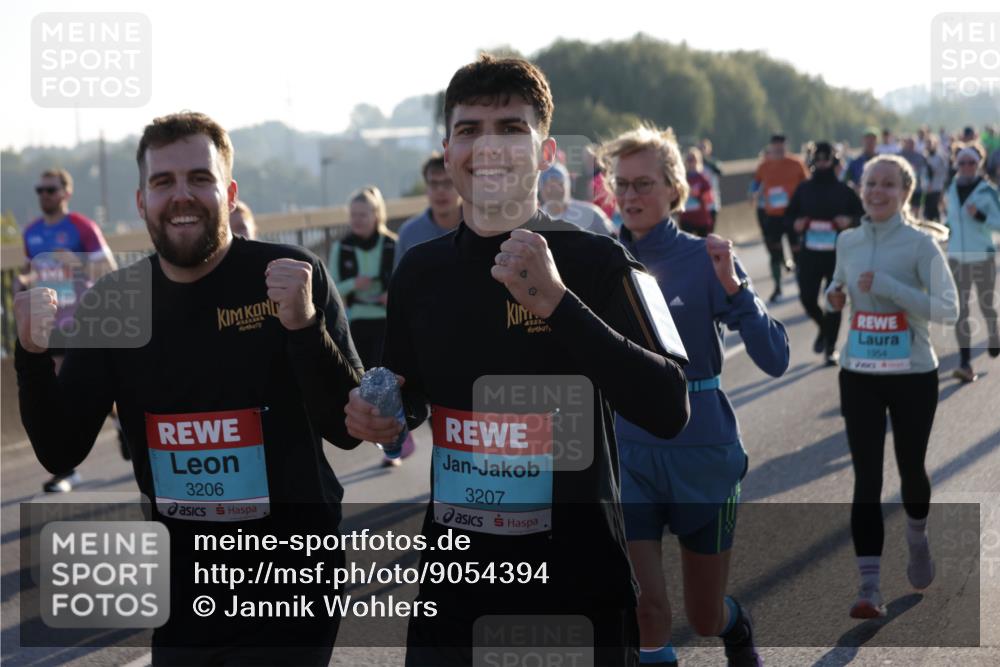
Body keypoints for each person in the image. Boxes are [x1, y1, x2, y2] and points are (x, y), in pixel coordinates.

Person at [345, 54, 690, 667]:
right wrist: (387, 417)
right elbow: (410, 389)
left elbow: (669, 406)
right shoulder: (421, 271)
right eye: (469, 130)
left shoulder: (600, 262)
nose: (490, 147)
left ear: (546, 151)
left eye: (511, 128)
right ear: (448, 151)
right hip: (453, 589)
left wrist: (557, 303)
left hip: (576, 586)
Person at [15, 112, 363, 664]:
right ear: (141, 202)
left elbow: (347, 431)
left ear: (227, 191)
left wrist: (304, 328)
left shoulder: (291, 275)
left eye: (199, 179)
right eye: (163, 182)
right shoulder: (114, 305)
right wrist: (30, 357)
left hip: (292, 577)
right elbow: (61, 450)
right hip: (184, 591)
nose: (182, 196)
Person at [602, 124, 788, 667]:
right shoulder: (599, 261)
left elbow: (775, 359)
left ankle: (735, 627)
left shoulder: (707, 258)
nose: (631, 197)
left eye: (644, 184)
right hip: (628, 453)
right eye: (623, 185)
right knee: (648, 610)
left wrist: (737, 290)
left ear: (673, 190)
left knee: (704, 615)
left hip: (703, 452)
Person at [826, 155, 959, 619]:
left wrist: (890, 286)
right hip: (859, 372)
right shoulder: (848, 240)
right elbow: (837, 285)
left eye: (887, 185)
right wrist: (833, 296)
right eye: (870, 183)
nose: (877, 192)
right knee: (866, 477)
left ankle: (917, 538)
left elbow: (949, 310)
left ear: (905, 192)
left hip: (913, 374)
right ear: (860, 188)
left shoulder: (922, 246)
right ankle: (869, 588)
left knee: (910, 469)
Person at [19, 168, 120, 492]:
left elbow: (108, 269)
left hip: (83, 322)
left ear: (66, 192)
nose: (44, 195)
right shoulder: (31, 232)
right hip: (52, 325)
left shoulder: (80, 227)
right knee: (64, 392)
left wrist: (75, 263)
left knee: (88, 391)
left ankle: (123, 423)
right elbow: (28, 272)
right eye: (40, 190)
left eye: (50, 189)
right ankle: (67, 469)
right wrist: (25, 283)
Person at [329, 186, 413, 465]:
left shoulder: (393, 243)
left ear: (376, 215)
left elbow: (407, 284)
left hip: (387, 323)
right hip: (356, 325)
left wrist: (393, 295)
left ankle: (394, 445)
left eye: (363, 214)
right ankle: (381, 437)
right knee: (363, 389)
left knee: (388, 386)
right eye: (353, 215)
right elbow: (332, 291)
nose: (358, 220)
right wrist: (355, 284)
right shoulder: (342, 248)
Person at [787, 142, 865, 364]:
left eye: (826, 158)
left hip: (838, 257)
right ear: (812, 161)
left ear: (834, 161)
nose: (822, 162)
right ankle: (824, 327)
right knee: (807, 298)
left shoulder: (845, 190)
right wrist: (796, 224)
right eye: (818, 158)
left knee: (834, 301)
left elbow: (863, 218)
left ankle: (830, 348)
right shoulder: (803, 189)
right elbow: (788, 217)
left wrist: (849, 220)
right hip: (809, 255)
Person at [943, 145, 1000, 382]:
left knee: (986, 305)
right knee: (961, 310)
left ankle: (994, 334)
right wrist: (945, 228)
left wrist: (980, 217)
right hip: (957, 257)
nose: (966, 167)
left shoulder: (988, 191)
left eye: (971, 163)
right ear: (957, 164)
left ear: (978, 164)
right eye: (962, 162)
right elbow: (950, 217)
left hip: (983, 257)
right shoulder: (951, 189)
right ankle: (965, 363)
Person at [752, 134, 809, 302]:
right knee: (775, 254)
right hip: (773, 216)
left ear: (786, 146)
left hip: (792, 215)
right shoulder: (764, 166)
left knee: (797, 253)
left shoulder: (796, 163)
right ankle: (777, 287)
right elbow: (756, 182)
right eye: (775, 147)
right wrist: (753, 192)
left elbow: (806, 184)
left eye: (781, 147)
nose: (778, 150)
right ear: (770, 147)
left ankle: (801, 286)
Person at [394, 153, 462, 270]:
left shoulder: (480, 228)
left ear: (461, 185)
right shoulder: (409, 233)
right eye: (434, 184)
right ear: (426, 188)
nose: (440, 190)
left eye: (448, 183)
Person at [539, 162, 616, 236]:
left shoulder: (590, 214)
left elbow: (616, 241)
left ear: (567, 185)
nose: (554, 190)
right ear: (541, 189)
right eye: (548, 186)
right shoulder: (536, 220)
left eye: (559, 184)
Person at [678, 147, 715, 237]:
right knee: (687, 248)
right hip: (686, 218)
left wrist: (698, 195)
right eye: (689, 160)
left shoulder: (702, 178)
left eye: (694, 160)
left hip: (701, 219)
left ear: (698, 161)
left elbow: (710, 198)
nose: (691, 163)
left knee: (702, 247)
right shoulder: (681, 178)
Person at [698, 138, 724, 228]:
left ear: (709, 149)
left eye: (703, 148)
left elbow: (719, 171)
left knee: (710, 229)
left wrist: (705, 160)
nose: (701, 150)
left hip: (712, 202)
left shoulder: (713, 163)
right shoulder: (693, 165)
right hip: (698, 205)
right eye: (699, 148)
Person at [922, 135, 948, 221]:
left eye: (930, 143)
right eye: (927, 144)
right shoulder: (925, 156)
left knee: (935, 208)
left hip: (937, 186)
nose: (928, 146)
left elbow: (944, 171)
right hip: (927, 188)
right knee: (928, 210)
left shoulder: (940, 157)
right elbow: (924, 172)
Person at [899, 137, 927, 216]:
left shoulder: (920, 156)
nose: (911, 146)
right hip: (903, 187)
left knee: (916, 209)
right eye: (909, 143)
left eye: (912, 144)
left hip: (917, 187)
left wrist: (925, 183)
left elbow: (924, 171)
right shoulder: (900, 156)